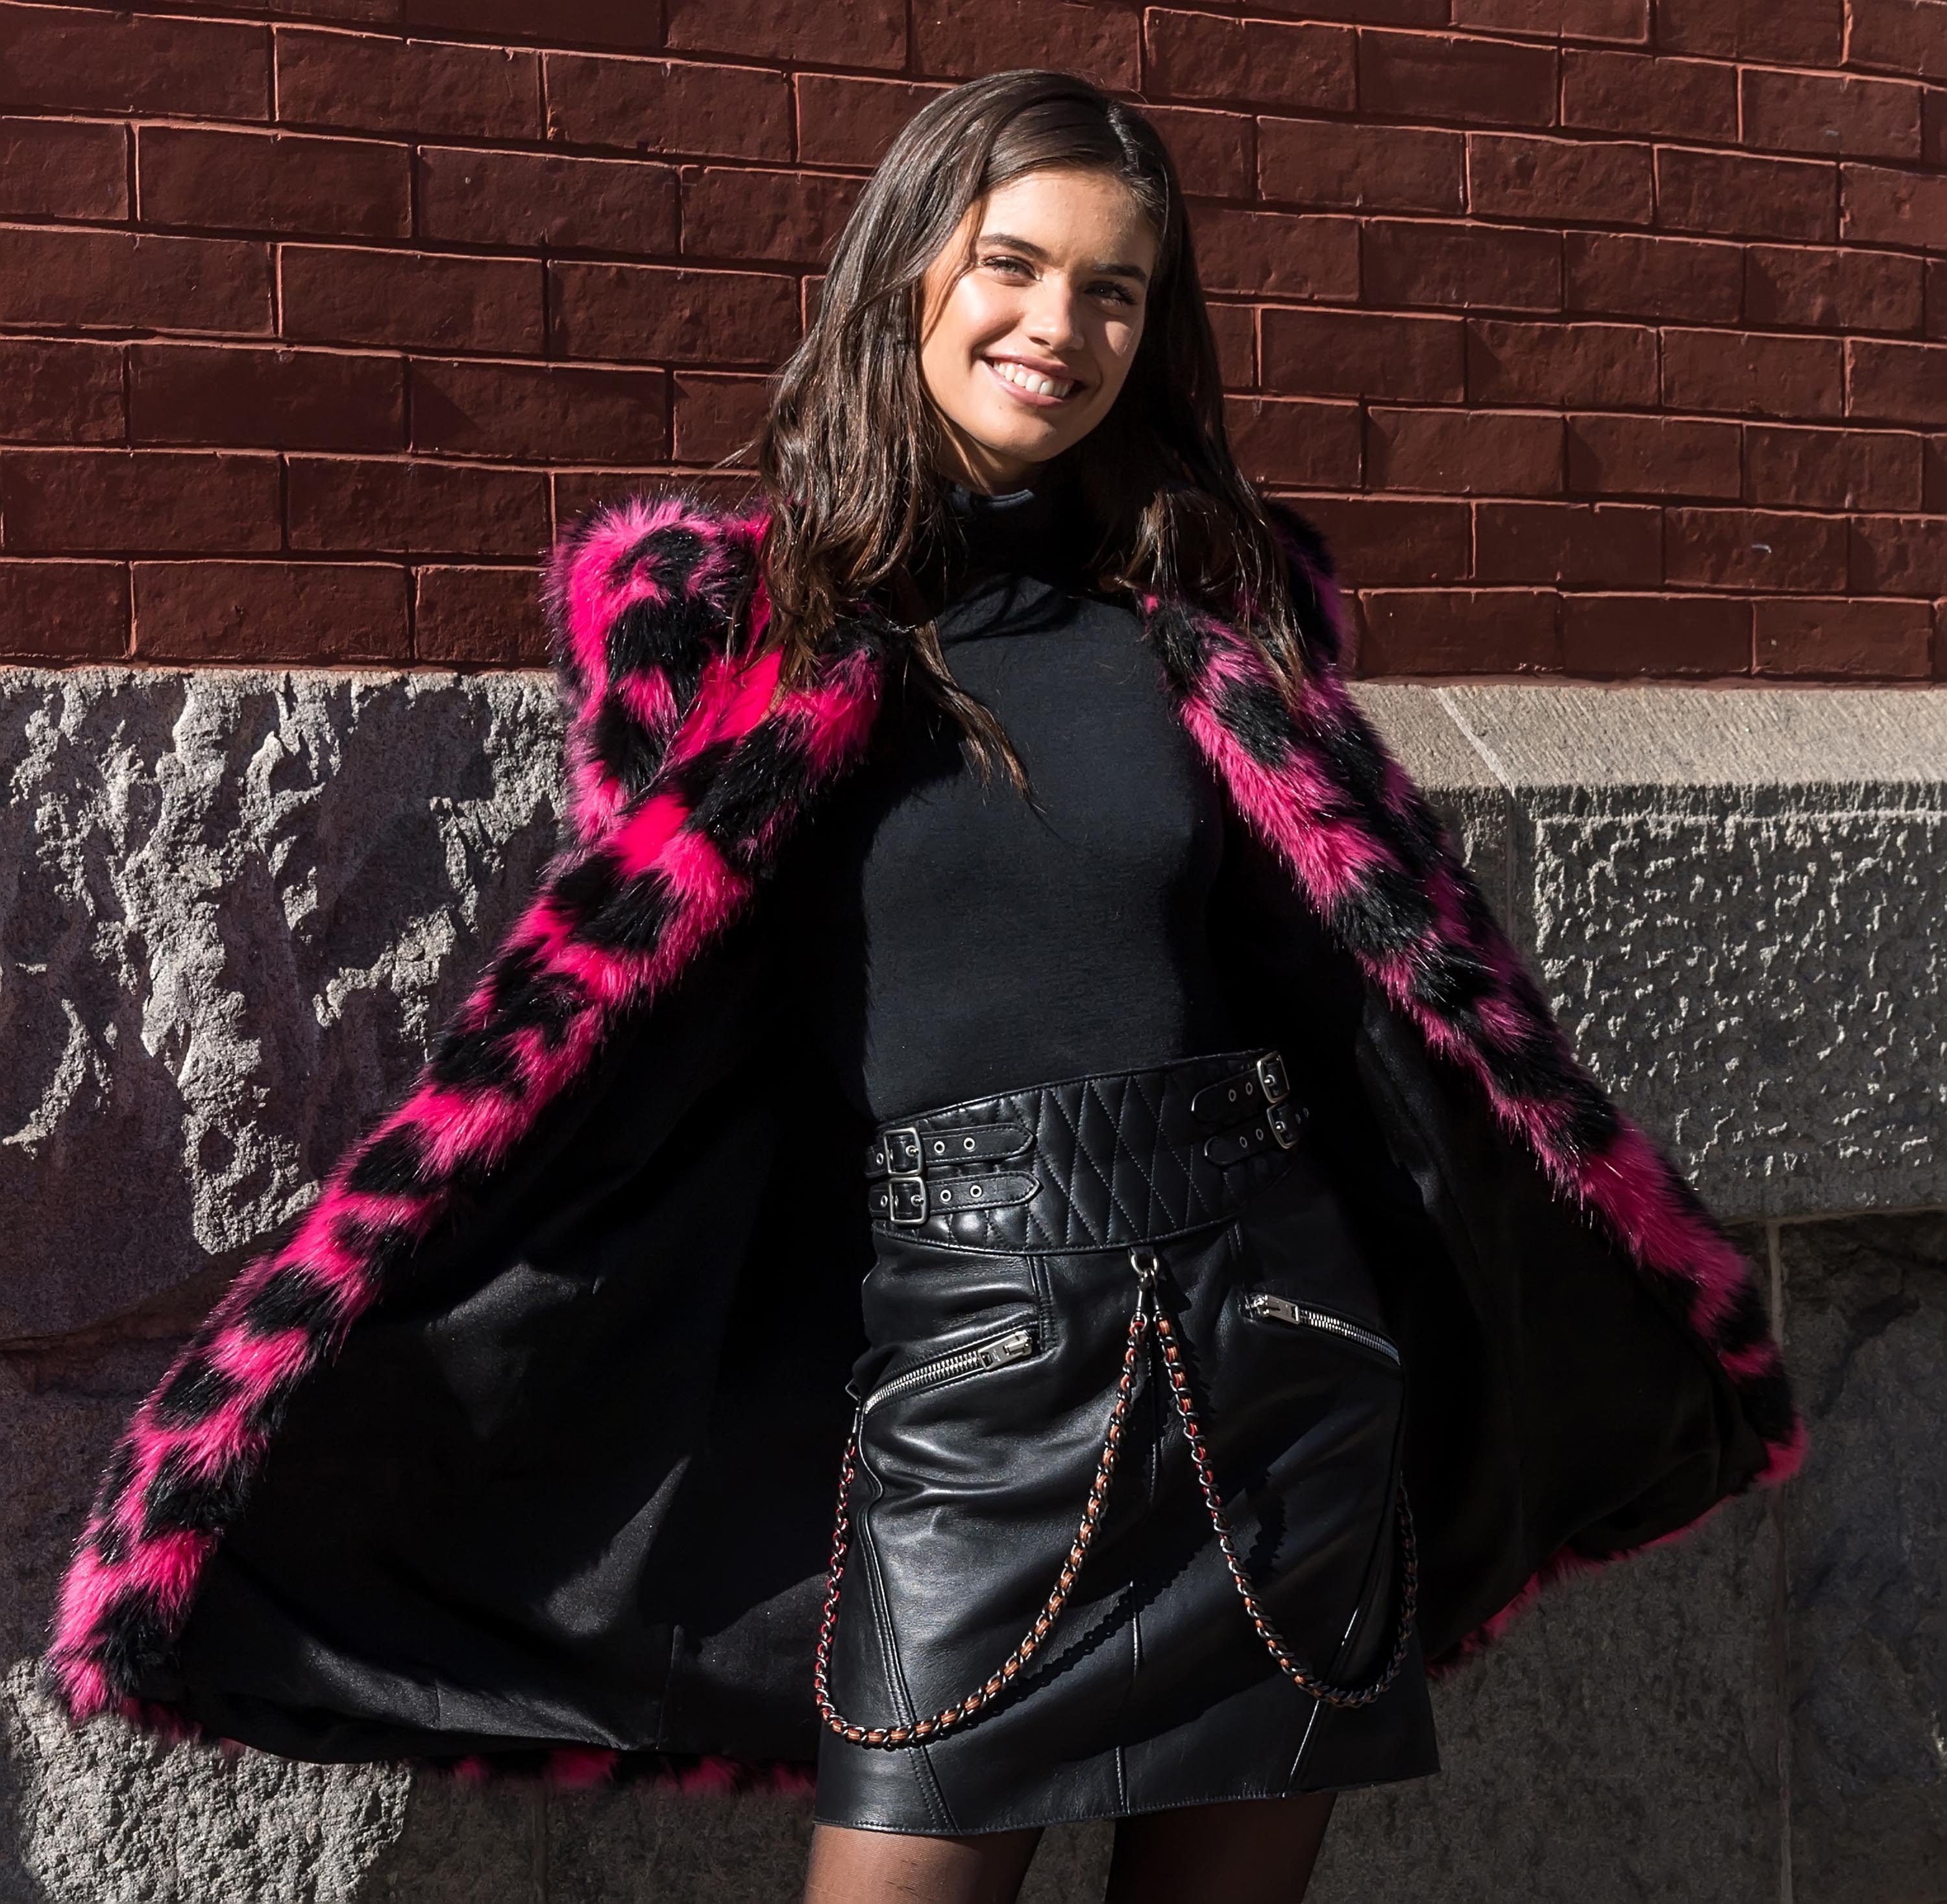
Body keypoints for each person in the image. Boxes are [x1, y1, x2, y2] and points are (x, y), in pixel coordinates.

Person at [46, 71, 1803, 1904]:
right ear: (908, 276)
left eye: (1114, 291)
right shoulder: (732, 625)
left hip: (1279, 1364)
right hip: (965, 1375)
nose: (1060, 327)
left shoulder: (1211, 620)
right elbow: (649, 1046)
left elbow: (1387, 1015)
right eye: (1015, 265)